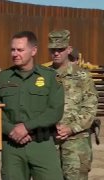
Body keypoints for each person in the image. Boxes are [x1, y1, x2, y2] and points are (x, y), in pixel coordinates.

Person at [0, 31, 65, 180]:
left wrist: (26, 127)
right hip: (12, 147)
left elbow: (55, 111)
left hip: (42, 144)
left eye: (20, 50)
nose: (15, 53)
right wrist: (11, 130)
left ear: (33, 51)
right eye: (13, 49)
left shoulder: (49, 77)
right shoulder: (3, 77)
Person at [48, 29, 98, 180]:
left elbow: (90, 107)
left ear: (69, 50)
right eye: (53, 49)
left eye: (60, 49)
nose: (56, 53)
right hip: (50, 140)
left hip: (77, 142)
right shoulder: (44, 75)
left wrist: (71, 128)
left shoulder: (82, 76)